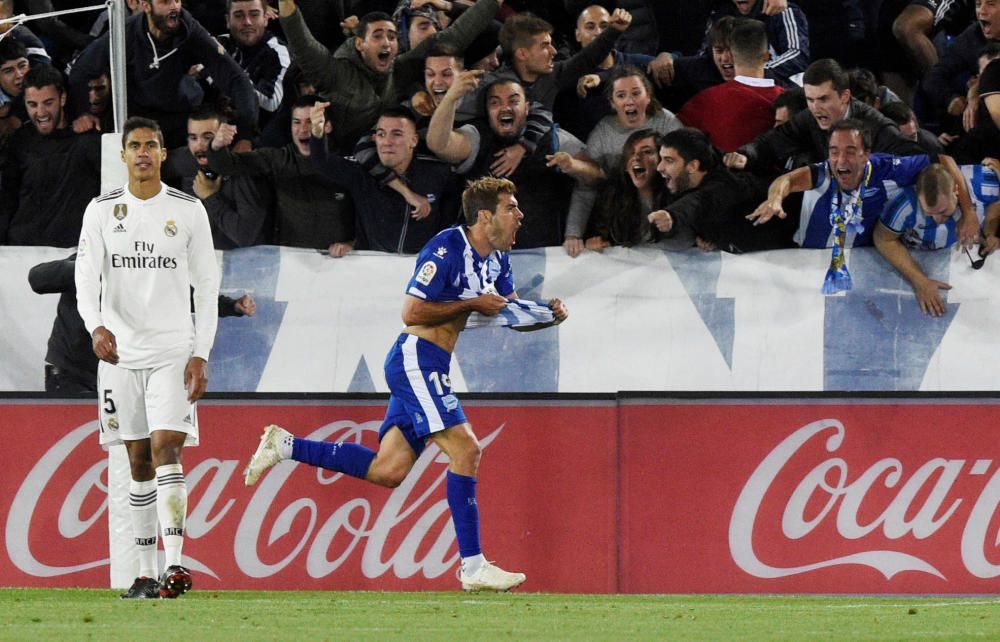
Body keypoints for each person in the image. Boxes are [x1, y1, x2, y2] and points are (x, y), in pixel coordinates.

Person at [244, 175, 569, 592]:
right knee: (466, 449)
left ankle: (285, 444)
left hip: (432, 364)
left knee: (389, 469)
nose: (520, 215)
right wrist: (470, 303)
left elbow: (505, 313)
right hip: (416, 358)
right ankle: (473, 567)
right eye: (511, 208)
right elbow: (412, 312)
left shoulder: (498, 262)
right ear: (485, 217)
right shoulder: (446, 247)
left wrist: (547, 315)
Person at [75, 116, 220, 599]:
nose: (141, 153)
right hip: (119, 357)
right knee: (137, 460)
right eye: (134, 145)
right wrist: (95, 325)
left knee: (166, 450)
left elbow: (208, 285)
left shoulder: (187, 210)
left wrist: (200, 353)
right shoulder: (100, 211)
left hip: (172, 353)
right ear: (122, 156)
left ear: (162, 154)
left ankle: (176, 566)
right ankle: (143, 570)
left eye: (151, 145)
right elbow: (85, 278)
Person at [747, 119, 980, 290]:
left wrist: (968, 212)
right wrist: (775, 198)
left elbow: (944, 161)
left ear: (866, 154)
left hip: (857, 265)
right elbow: (786, 180)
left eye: (850, 152)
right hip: (803, 257)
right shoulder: (824, 173)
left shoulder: (887, 168)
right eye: (834, 152)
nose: (840, 160)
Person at [276, 0, 503, 153]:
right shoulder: (335, 74)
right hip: (340, 167)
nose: (387, 42)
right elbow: (301, 41)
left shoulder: (404, 67)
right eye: (378, 35)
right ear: (359, 43)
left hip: (391, 163)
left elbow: (459, 34)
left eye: (392, 36)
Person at [30, 252, 254, 394]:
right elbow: (37, 278)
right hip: (71, 375)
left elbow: (187, 296)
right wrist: (85, 270)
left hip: (117, 376)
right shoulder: (87, 263)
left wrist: (233, 306)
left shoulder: (146, 270)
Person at [68, 0, 258, 150]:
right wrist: (82, 112)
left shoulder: (190, 30)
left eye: (177, 0)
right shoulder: (126, 32)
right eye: (166, 1)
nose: (175, 7)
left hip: (182, 115)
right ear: (145, 6)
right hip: (138, 119)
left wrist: (245, 135)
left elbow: (236, 78)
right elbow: (81, 70)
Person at [428, 75, 577, 248]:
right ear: (486, 110)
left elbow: (596, 175)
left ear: (528, 108)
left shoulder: (552, 139)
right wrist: (450, 98)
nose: (505, 108)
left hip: (541, 259)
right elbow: (439, 144)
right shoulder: (477, 137)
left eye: (513, 101)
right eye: (495, 103)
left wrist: (575, 167)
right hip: (482, 260)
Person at [556, 65, 681, 255]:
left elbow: (690, 175)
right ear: (612, 103)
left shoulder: (667, 123)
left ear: (648, 96)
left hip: (667, 216)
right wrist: (574, 234)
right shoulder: (603, 133)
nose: (630, 101)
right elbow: (586, 186)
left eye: (636, 93)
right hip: (620, 221)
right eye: (621, 95)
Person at [205, 94, 355, 253]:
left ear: (327, 126)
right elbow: (228, 165)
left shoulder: (346, 166)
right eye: (297, 122)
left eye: (310, 121)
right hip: (290, 263)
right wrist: (216, 146)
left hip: (339, 263)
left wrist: (353, 244)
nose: (303, 129)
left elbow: (366, 214)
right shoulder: (277, 159)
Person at [725, 58, 927, 174]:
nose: (816, 108)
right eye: (810, 100)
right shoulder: (809, 117)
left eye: (823, 99)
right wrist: (746, 155)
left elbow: (916, 158)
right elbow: (772, 141)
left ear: (844, 96)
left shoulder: (874, 124)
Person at [305, 103, 459, 254]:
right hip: (376, 267)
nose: (387, 142)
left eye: (397, 134)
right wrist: (317, 132)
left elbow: (452, 214)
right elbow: (322, 163)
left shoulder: (438, 171)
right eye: (381, 134)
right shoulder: (362, 173)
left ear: (414, 140)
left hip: (423, 267)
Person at [875, 162, 998, 316]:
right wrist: (920, 281)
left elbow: (996, 200)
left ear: (956, 191)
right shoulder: (903, 204)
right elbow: (883, 239)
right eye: (929, 213)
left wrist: (990, 231)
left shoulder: (981, 183)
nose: (937, 220)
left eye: (944, 211)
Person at [0, 64, 101, 246]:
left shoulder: (88, 141)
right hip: (22, 252)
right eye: (32, 105)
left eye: (48, 103)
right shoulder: (19, 141)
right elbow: (7, 199)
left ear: (62, 98)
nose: (41, 113)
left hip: (72, 255)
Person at [647, 127, 784, 252]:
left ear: (692, 166)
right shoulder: (706, 164)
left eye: (669, 160)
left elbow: (699, 201)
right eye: (661, 159)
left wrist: (672, 216)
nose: (660, 167)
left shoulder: (725, 185)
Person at [677, 18, 783, 153]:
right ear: (767, 56)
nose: (726, 58)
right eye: (720, 50)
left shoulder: (707, 99)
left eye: (730, 51)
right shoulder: (706, 98)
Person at [704, 0, 810, 87]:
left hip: (780, 88)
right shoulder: (719, 14)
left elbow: (798, 55)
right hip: (733, 88)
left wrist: (755, 71)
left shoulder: (783, 10)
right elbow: (705, 54)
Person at [219, 0, 291, 126]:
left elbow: (271, 103)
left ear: (265, 19)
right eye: (238, 15)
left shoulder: (277, 52)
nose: (247, 22)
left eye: (254, 14)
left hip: (263, 134)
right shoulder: (220, 44)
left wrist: (230, 76)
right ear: (227, 21)